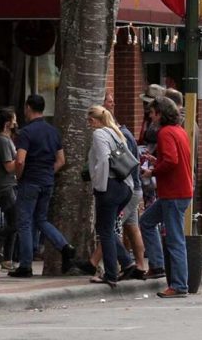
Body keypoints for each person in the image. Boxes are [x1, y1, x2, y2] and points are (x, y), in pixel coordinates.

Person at [11, 94, 76, 278]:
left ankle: (25, 265)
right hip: (47, 181)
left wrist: (19, 176)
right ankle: (64, 246)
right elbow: (61, 160)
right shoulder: (53, 131)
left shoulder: (26, 132)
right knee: (41, 220)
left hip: (30, 181)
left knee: (24, 222)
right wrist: (48, 172)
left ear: (28, 108)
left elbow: (20, 160)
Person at [86, 92, 147, 281]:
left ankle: (111, 273)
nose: (89, 125)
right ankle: (127, 263)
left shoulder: (99, 134)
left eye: (90, 121)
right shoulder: (117, 132)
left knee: (104, 230)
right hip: (125, 187)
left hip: (109, 187)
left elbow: (104, 160)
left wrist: (100, 186)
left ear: (95, 120)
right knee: (109, 228)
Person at [139, 96, 194, 298]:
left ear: (160, 114)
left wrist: (152, 171)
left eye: (152, 113)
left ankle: (179, 285)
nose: (150, 117)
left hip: (173, 193)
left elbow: (171, 161)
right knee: (145, 221)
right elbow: (174, 159)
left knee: (175, 240)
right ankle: (157, 265)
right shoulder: (179, 131)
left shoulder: (165, 133)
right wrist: (158, 160)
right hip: (178, 191)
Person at [0, 107, 18, 271]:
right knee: (16, 222)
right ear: (8, 124)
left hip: (8, 186)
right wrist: (23, 159)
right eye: (14, 120)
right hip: (5, 187)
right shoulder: (3, 141)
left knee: (12, 222)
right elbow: (9, 167)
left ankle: (8, 259)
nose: (16, 123)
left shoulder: (5, 140)